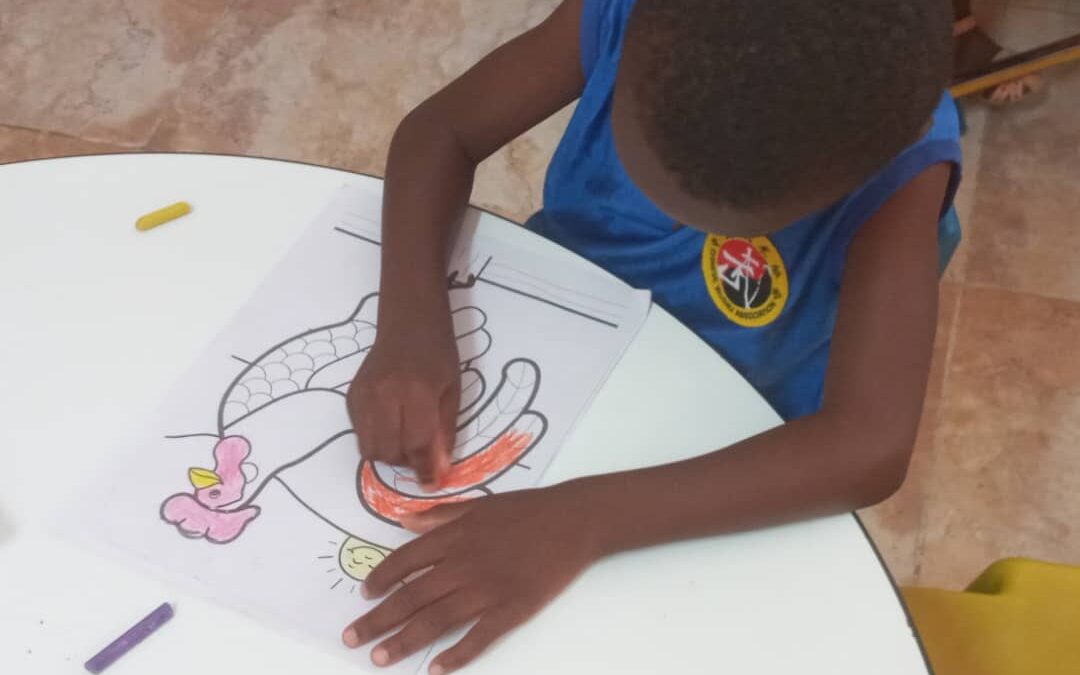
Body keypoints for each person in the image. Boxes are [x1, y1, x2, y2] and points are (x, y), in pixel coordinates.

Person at [342, 1, 962, 672]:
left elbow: (870, 444)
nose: (674, 224)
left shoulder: (901, 163)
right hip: (566, 338)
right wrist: (410, 317)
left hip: (723, 437)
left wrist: (583, 518)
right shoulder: (631, 11)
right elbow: (442, 129)